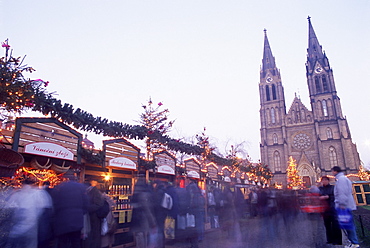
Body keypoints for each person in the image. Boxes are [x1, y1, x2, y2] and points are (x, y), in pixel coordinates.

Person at [6, 177, 52, 248]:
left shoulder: (17, 194)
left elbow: (8, 208)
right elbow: (45, 208)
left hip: (16, 229)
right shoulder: (38, 193)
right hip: (32, 227)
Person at [51, 170, 88, 248]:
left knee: (62, 243)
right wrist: (79, 213)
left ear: (65, 178)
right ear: (74, 178)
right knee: (76, 243)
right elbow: (86, 205)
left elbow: (54, 205)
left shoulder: (59, 188)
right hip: (77, 221)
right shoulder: (81, 187)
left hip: (62, 222)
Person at [332, 166, 359, 248]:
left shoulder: (341, 180)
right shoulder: (342, 179)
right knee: (348, 224)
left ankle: (354, 242)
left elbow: (342, 193)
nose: (332, 173)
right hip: (345, 205)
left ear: (335, 171)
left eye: (332, 171)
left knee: (348, 224)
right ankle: (352, 241)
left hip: (344, 206)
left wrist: (342, 204)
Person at [319, 176, 342, 245]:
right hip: (324, 209)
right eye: (323, 180)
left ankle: (338, 240)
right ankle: (330, 239)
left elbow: (336, 196)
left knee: (335, 224)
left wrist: (327, 197)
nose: (324, 181)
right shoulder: (320, 189)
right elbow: (317, 196)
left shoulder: (333, 188)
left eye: (326, 180)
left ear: (328, 181)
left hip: (332, 207)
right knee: (327, 225)